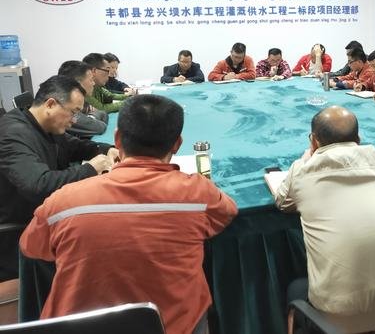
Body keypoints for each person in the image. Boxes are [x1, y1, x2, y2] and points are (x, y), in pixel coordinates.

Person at [20, 94, 238, 334]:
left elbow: (31, 247)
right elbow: (227, 212)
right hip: (174, 325)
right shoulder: (199, 193)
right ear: (177, 144)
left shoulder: (62, 202)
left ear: (117, 139)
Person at [275, 106, 375, 332]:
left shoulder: (302, 172)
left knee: (296, 288)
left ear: (313, 141)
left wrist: (304, 160)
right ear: (358, 139)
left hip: (336, 318)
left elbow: (283, 202)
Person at [0, 76, 117, 279]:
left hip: (47, 215)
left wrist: (107, 149)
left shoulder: (44, 125)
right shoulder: (12, 134)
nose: (74, 120)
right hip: (22, 230)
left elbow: (74, 146)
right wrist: (90, 169)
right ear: (51, 104)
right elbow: (38, 185)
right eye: (73, 112)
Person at [57, 60, 108, 138]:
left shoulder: (82, 102)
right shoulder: (65, 108)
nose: (93, 83)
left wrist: (89, 119)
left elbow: (103, 114)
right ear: (77, 83)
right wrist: (91, 118)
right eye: (91, 80)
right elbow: (99, 127)